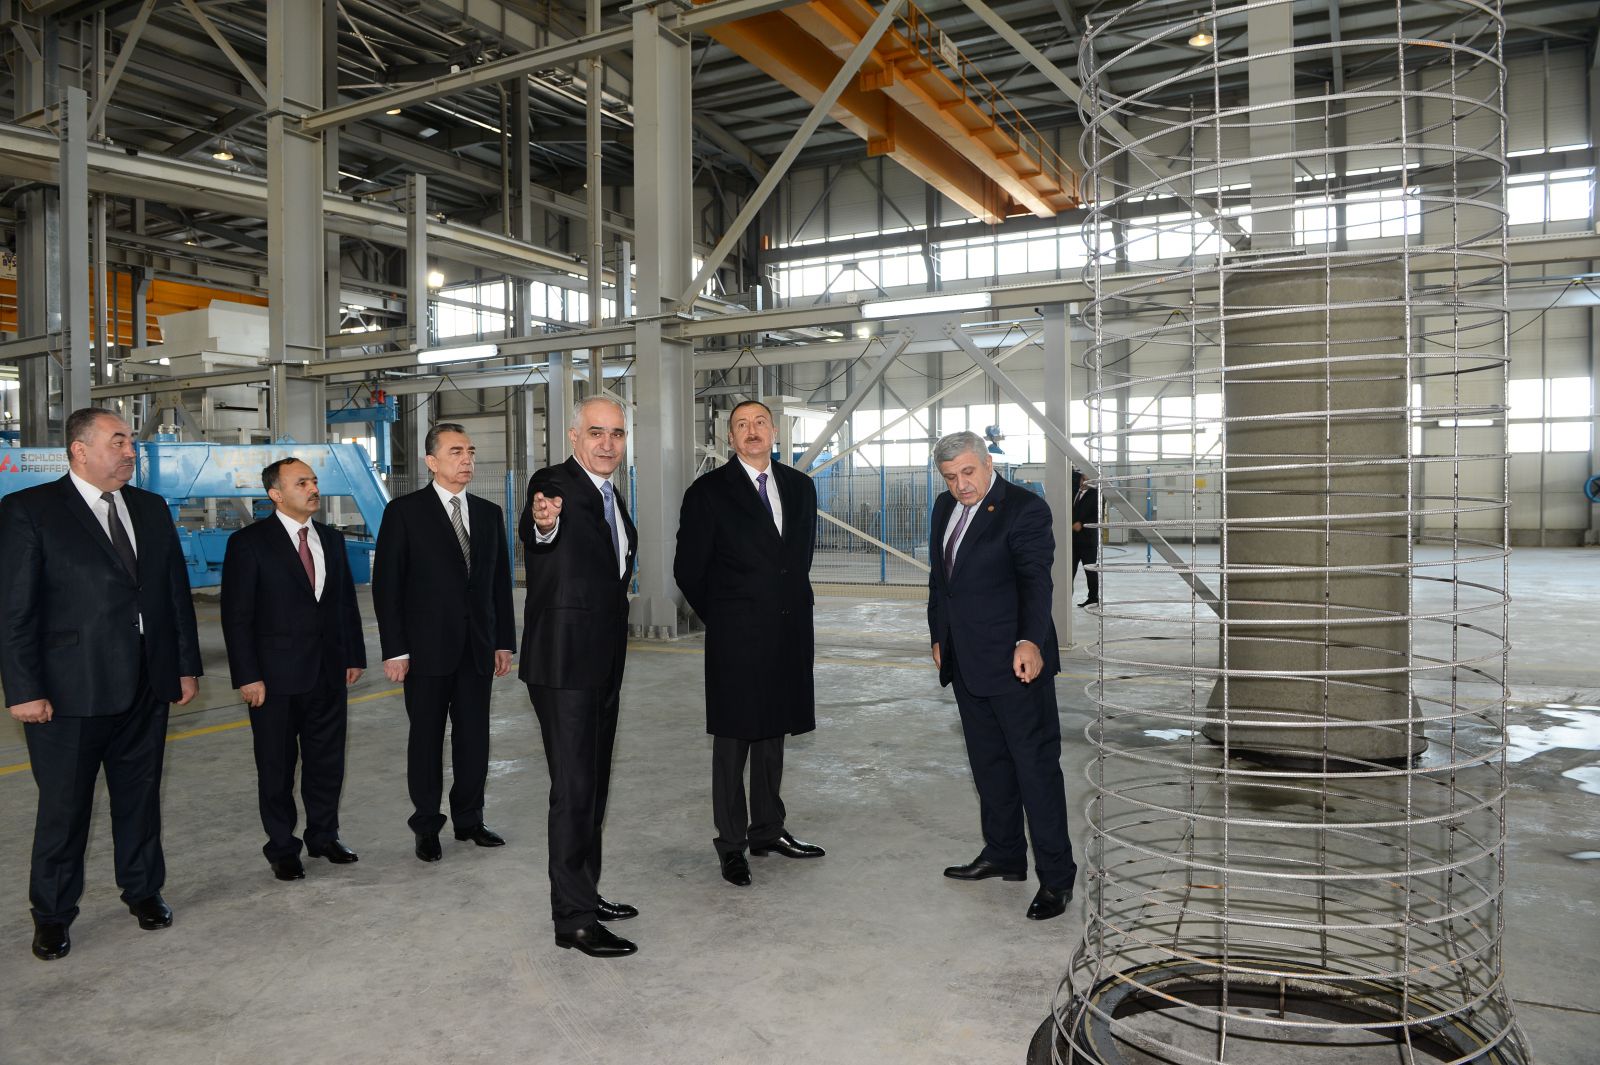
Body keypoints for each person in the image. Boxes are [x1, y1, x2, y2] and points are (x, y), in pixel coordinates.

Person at [0, 407, 201, 961]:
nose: (130, 451)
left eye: (130, 441)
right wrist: (23, 689)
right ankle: (52, 914)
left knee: (140, 798)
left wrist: (184, 665)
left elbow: (173, 593)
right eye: (117, 441)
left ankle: (143, 891)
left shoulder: (150, 509)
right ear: (79, 449)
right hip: (69, 691)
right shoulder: (30, 511)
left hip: (147, 682)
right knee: (64, 810)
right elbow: (14, 610)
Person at [674, 400, 825, 889]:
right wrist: (724, 617)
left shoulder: (800, 487)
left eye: (759, 422)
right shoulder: (708, 493)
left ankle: (768, 830)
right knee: (734, 737)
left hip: (788, 629)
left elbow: (797, 558)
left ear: (774, 431)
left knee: (773, 730)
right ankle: (731, 843)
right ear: (730, 438)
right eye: (741, 425)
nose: (752, 430)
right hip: (737, 633)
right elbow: (688, 569)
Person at [926, 430, 1076, 921]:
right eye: (951, 477)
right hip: (966, 662)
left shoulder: (1025, 510)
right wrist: (939, 635)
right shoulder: (943, 508)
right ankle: (1004, 853)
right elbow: (941, 581)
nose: (961, 485)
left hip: (1016, 664)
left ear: (988, 463)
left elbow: (1036, 581)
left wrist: (1030, 641)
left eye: (968, 472)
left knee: (1035, 770)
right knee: (989, 766)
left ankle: (1056, 879)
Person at [519, 394, 640, 958]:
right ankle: (573, 920)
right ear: (574, 437)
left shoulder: (611, 495)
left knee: (593, 785)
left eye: (616, 434)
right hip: (564, 663)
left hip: (602, 662)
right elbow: (541, 525)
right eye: (596, 432)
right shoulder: (556, 485)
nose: (607, 444)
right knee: (573, 790)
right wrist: (544, 522)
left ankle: (584, 892)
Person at [372, 423, 514, 863]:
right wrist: (395, 650)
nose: (467, 459)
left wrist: (503, 641)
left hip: (477, 649)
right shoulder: (404, 513)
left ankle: (470, 819)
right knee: (427, 741)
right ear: (431, 462)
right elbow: (387, 586)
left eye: (470, 451)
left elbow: (499, 584)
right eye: (455, 452)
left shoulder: (489, 514)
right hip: (425, 651)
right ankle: (426, 826)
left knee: (474, 740)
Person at [220, 458, 367, 882]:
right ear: (276, 494)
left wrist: (353, 655)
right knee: (276, 767)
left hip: (328, 672)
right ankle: (282, 846)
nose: (313, 488)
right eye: (301, 483)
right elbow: (237, 616)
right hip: (274, 680)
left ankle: (324, 836)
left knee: (327, 762)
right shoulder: (249, 544)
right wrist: (247, 675)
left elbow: (344, 603)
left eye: (314, 481)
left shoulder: (331, 539)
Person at [1071, 469, 1100, 608]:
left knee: (1090, 571)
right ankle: (1066, 596)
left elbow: (1096, 515)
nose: (1084, 482)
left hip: (1088, 540)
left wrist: (1082, 524)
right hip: (1072, 540)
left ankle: (1093, 598)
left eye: (1088, 480)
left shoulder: (1096, 495)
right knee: (1069, 570)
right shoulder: (1073, 493)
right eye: (1083, 479)